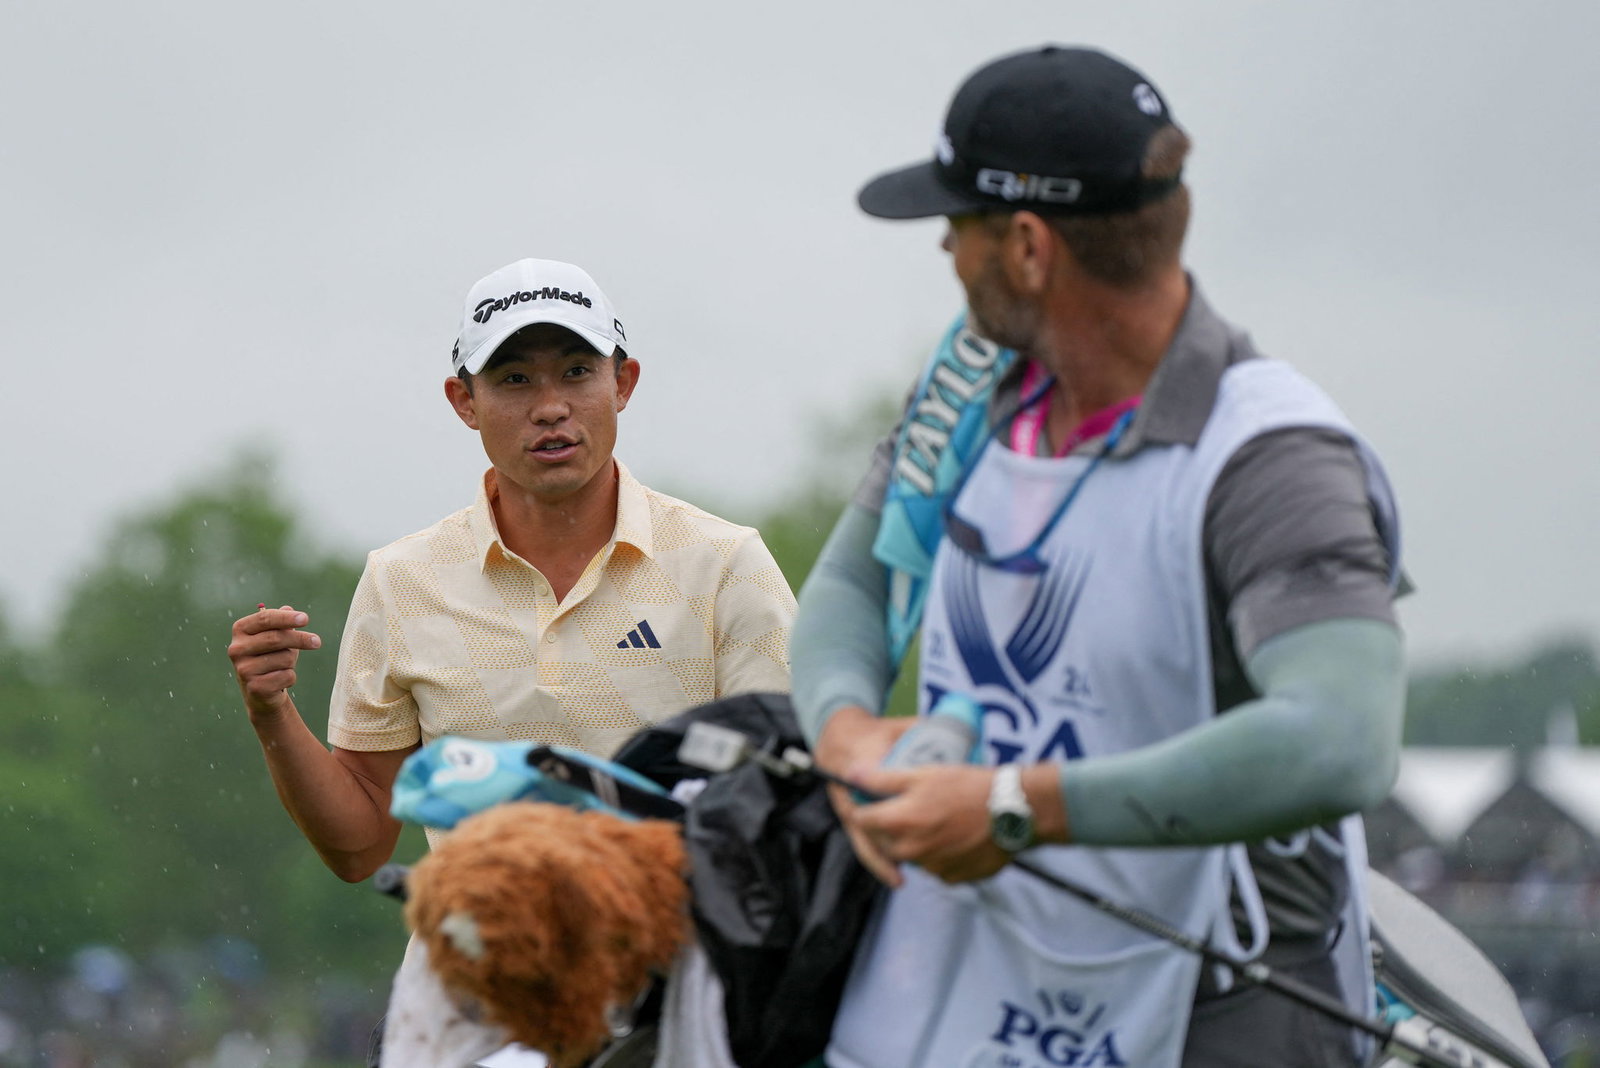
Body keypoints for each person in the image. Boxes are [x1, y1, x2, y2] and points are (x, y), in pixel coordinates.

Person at [789, 47, 1407, 1067]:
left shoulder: (1271, 452)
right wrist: (849, 734)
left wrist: (1010, 808)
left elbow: (1341, 739)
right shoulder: (978, 390)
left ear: (1029, 248)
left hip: (1215, 1000)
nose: (944, 249)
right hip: (981, 983)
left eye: (958, 228)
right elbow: (855, 583)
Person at [227, 257, 796, 883]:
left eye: (577, 372)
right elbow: (360, 846)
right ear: (464, 401)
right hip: (478, 965)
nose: (551, 407)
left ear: (623, 383)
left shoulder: (724, 564)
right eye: (515, 379)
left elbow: (786, 797)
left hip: (681, 964)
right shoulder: (402, 582)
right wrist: (271, 710)